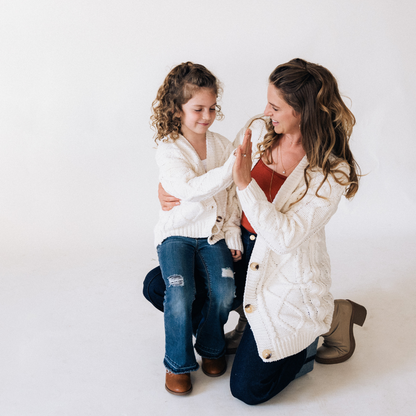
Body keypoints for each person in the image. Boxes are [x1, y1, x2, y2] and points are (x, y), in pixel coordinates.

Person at [144, 58, 367, 404]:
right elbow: (223, 181)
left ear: (303, 110)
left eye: (275, 106)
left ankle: (322, 325)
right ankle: (241, 324)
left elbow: (283, 235)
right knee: (160, 285)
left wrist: (247, 183)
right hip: (236, 251)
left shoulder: (330, 170)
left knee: (247, 389)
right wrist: (172, 188)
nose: (266, 111)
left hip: (281, 270)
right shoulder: (262, 130)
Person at [150, 62, 244, 396]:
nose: (206, 116)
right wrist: (232, 167)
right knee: (179, 293)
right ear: (177, 110)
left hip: (213, 235)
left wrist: (231, 231)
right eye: (198, 109)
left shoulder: (220, 145)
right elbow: (190, 189)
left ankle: (211, 346)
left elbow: (230, 194)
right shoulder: (168, 148)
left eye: (212, 108)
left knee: (224, 292)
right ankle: (177, 363)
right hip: (176, 234)